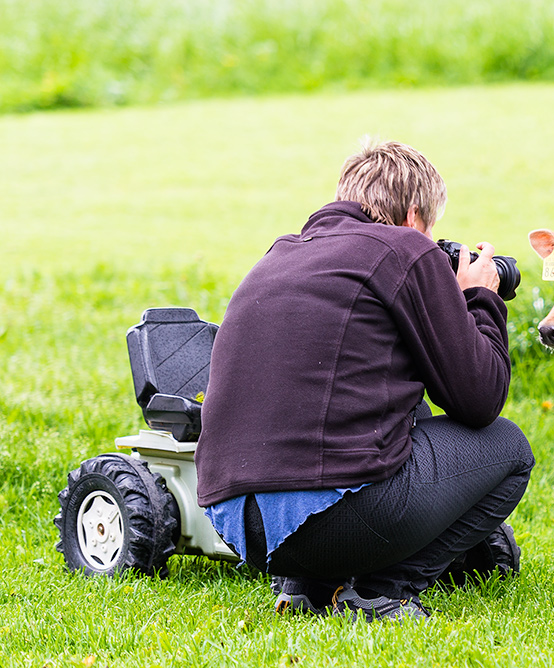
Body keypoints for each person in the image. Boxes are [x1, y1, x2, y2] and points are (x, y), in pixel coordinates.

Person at [194, 139, 534, 621]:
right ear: (414, 216)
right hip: (334, 520)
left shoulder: (277, 256)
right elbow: (479, 400)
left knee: (390, 411)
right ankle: (383, 591)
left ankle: (307, 589)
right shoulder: (405, 248)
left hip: (237, 524)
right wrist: (479, 297)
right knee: (510, 448)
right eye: (431, 230)